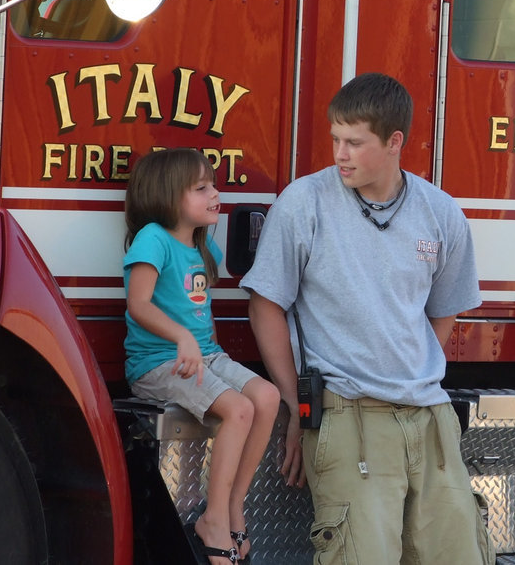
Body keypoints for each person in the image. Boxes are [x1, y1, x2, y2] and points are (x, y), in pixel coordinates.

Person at [243, 72, 493, 565]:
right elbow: (265, 304)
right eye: (336, 139)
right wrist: (297, 404)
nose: (340, 153)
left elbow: (442, 315)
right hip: (347, 415)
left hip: (431, 419)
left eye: (355, 142)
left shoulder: (440, 213)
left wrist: (410, 369)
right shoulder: (304, 203)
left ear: (394, 141)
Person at [123, 148, 281, 565]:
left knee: (267, 398)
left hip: (204, 355)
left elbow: (196, 310)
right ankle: (213, 517)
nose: (215, 194)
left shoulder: (199, 242)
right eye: (201, 188)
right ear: (168, 196)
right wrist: (182, 339)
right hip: (159, 362)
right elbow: (138, 304)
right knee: (240, 410)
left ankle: (233, 506)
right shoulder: (152, 239)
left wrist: (203, 346)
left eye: (213, 185)